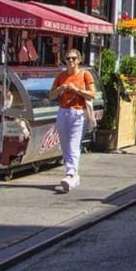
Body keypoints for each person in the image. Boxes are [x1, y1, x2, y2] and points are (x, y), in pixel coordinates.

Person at [48, 48, 95, 192]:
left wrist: (77, 90)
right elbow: (51, 96)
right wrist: (60, 89)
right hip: (63, 111)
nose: (71, 61)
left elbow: (92, 94)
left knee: (74, 143)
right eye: (68, 59)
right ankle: (73, 175)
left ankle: (70, 173)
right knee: (64, 143)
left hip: (78, 112)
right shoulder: (60, 76)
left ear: (79, 60)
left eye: (74, 58)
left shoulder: (85, 75)